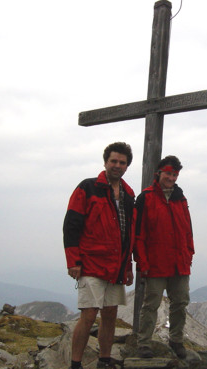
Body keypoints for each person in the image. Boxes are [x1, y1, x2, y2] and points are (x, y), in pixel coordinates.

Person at [63, 142, 135, 369]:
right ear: (105, 162)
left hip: (116, 266)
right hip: (91, 263)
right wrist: (73, 261)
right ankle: (76, 364)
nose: (117, 165)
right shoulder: (88, 187)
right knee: (89, 314)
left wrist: (128, 266)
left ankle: (104, 360)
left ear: (126, 166)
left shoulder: (128, 193)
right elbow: (71, 225)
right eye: (113, 161)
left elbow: (129, 232)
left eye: (122, 162)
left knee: (110, 314)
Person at [134, 155, 194, 359]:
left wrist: (189, 254)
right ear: (158, 173)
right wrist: (142, 262)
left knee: (180, 302)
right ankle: (144, 342)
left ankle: (176, 340)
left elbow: (188, 230)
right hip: (156, 263)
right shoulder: (146, 198)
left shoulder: (180, 199)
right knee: (151, 304)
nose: (171, 177)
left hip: (179, 263)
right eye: (168, 173)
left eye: (175, 174)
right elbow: (139, 234)